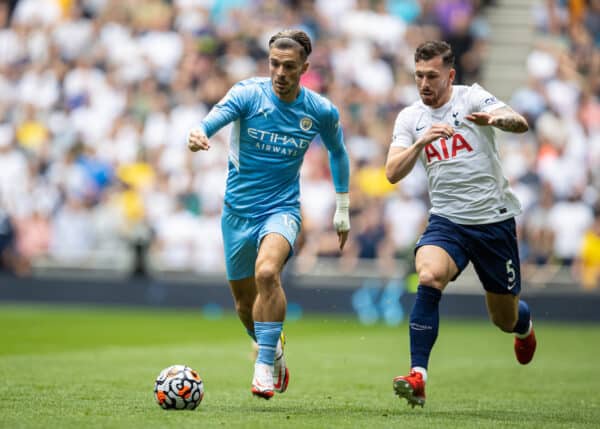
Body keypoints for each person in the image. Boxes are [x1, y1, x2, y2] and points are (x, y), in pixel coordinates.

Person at [187, 29, 351, 400]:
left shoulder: (319, 110)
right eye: (274, 64)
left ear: (304, 68)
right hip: (237, 213)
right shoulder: (248, 94)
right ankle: (272, 348)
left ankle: (262, 368)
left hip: (282, 208)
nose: (280, 72)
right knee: (245, 306)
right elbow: (214, 118)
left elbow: (338, 153)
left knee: (267, 272)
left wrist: (342, 208)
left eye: (289, 66)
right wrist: (198, 132)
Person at [385, 41, 536, 408]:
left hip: (493, 222)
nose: (424, 83)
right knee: (428, 276)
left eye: (432, 76)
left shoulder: (471, 99)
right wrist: (420, 142)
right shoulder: (410, 119)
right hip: (447, 221)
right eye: (419, 75)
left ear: (449, 75)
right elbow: (391, 173)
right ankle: (418, 376)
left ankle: (524, 324)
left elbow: (520, 122)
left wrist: (498, 119)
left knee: (504, 318)